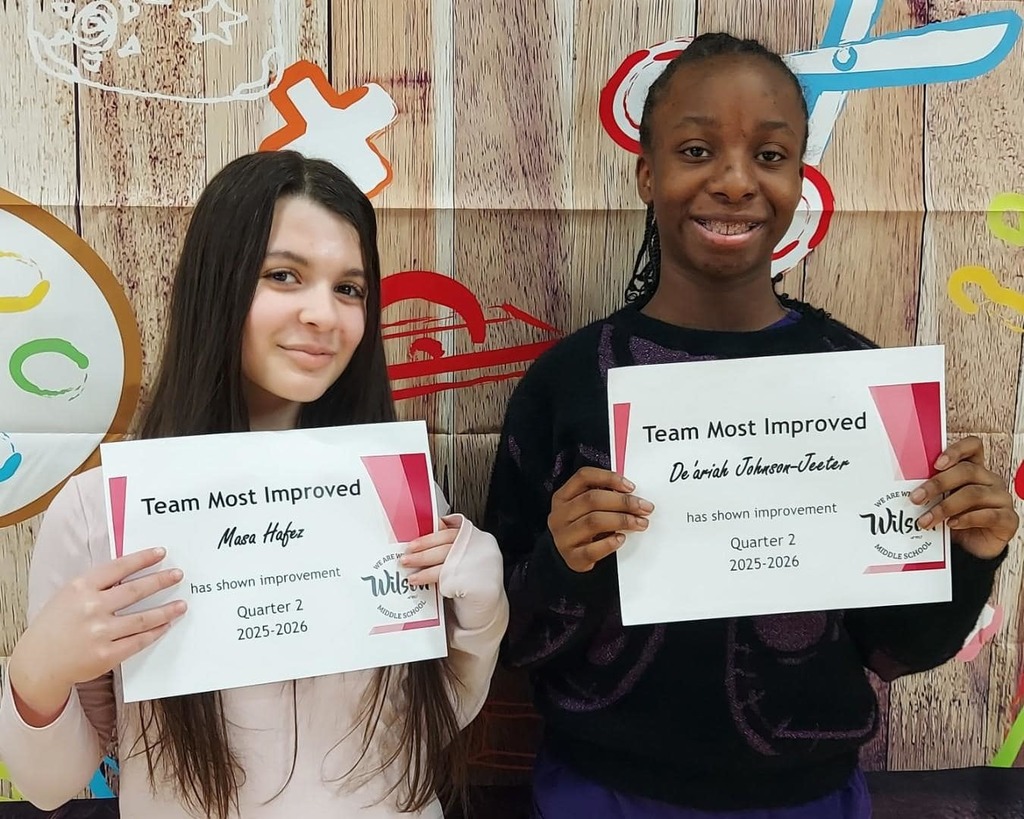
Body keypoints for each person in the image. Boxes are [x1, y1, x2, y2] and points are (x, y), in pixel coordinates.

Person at [484, 33, 1018, 818]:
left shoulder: (861, 385)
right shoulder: (567, 384)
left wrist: (974, 554)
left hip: (807, 795)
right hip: (605, 791)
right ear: (647, 173)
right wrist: (562, 563)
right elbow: (505, 640)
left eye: (770, 156)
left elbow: (899, 650)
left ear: (800, 179)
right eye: (697, 149)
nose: (735, 181)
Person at [0, 150, 509, 818]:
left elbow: (429, 722)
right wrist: (38, 671)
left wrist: (481, 609)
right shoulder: (99, 512)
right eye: (284, 275)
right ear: (219, 283)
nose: (324, 315)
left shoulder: (393, 488)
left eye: (349, 288)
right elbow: (51, 784)